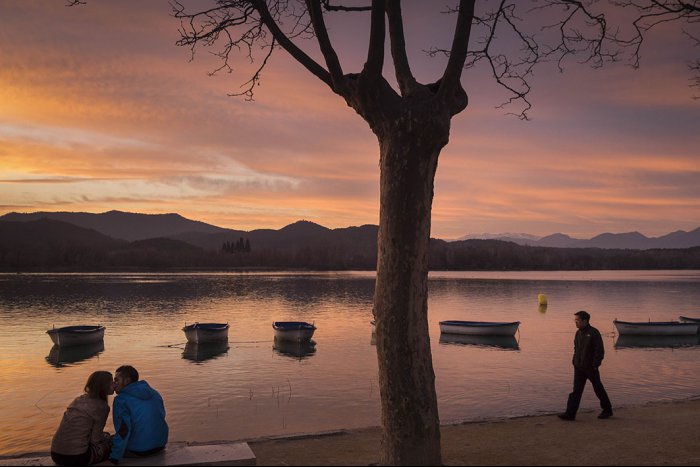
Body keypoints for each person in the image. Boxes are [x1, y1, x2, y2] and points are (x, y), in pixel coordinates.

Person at [559, 310, 613, 421]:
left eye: (577, 320)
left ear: (585, 321)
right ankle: (570, 414)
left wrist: (595, 364)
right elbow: (576, 349)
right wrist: (574, 361)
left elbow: (600, 351)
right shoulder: (578, 333)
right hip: (579, 367)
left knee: (598, 388)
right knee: (576, 391)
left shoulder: (594, 333)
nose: (575, 322)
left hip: (590, 367)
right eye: (575, 320)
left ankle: (607, 410)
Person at [51, 371, 114, 466]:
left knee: (105, 436)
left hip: (55, 454)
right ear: (104, 387)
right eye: (111, 382)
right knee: (110, 443)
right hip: (77, 457)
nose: (114, 384)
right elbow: (95, 440)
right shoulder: (102, 407)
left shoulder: (78, 400)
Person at [109, 365, 168, 464]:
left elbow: (124, 430)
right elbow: (161, 415)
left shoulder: (121, 400)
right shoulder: (154, 393)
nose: (114, 384)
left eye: (116, 380)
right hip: (160, 445)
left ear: (127, 381)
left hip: (139, 451)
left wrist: (114, 457)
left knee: (106, 443)